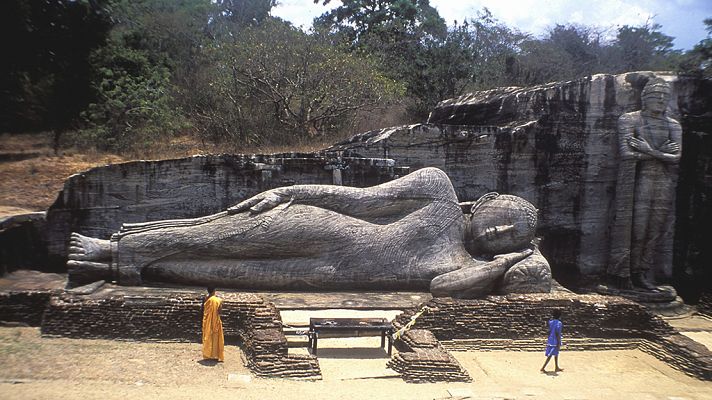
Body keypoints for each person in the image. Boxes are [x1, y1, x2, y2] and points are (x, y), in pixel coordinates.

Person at [66, 167, 551, 298]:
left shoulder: (466, 267)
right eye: (506, 215)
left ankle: (116, 265)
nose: (502, 230)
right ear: (487, 200)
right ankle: (117, 246)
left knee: (213, 271)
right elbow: (360, 199)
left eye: (513, 235)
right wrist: (289, 191)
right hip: (324, 230)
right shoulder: (438, 189)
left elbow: (441, 289)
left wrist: (504, 263)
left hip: (326, 272)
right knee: (216, 235)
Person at [608, 77, 682, 290]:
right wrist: (661, 153)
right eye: (655, 95)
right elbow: (627, 154)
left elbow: (676, 157)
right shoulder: (630, 120)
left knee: (655, 230)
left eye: (664, 96)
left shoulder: (673, 125)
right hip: (640, 181)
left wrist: (648, 150)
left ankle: (642, 273)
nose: (660, 99)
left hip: (663, 181)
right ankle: (626, 273)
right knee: (637, 229)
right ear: (644, 97)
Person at [202, 287, 224, 362]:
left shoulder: (205, 299)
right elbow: (220, 312)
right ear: (214, 291)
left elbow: (203, 309)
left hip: (207, 321)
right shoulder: (218, 300)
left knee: (207, 336)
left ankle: (207, 355)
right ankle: (215, 355)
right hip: (215, 321)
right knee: (216, 337)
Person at [540, 309, 563, 373]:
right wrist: (558, 342)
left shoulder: (550, 322)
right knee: (551, 354)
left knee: (556, 353)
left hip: (551, 338)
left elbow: (549, 331)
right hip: (555, 340)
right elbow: (557, 333)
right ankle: (543, 367)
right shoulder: (559, 323)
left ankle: (556, 367)